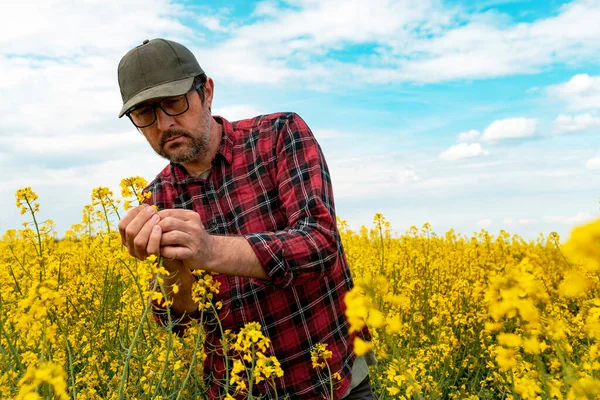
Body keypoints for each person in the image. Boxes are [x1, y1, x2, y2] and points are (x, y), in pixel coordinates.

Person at [116, 38, 376, 399]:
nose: (164, 124)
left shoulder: (279, 135)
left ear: (206, 91)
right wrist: (172, 269)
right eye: (144, 113)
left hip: (333, 380)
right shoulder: (155, 199)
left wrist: (208, 250)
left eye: (174, 102)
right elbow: (181, 322)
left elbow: (320, 244)